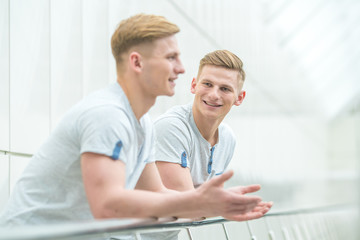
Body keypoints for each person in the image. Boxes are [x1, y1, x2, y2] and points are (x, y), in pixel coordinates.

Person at [0, 14, 271, 229]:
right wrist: (200, 203)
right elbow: (108, 206)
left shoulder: (141, 124)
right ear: (137, 63)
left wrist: (212, 204)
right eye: (170, 58)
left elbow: (158, 194)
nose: (180, 68)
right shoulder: (108, 115)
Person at [140, 50, 267, 240]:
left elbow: (201, 203)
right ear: (194, 85)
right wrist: (225, 205)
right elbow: (186, 207)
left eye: (225, 89)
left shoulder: (227, 139)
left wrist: (220, 202)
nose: (214, 94)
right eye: (207, 84)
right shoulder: (171, 128)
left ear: (239, 98)